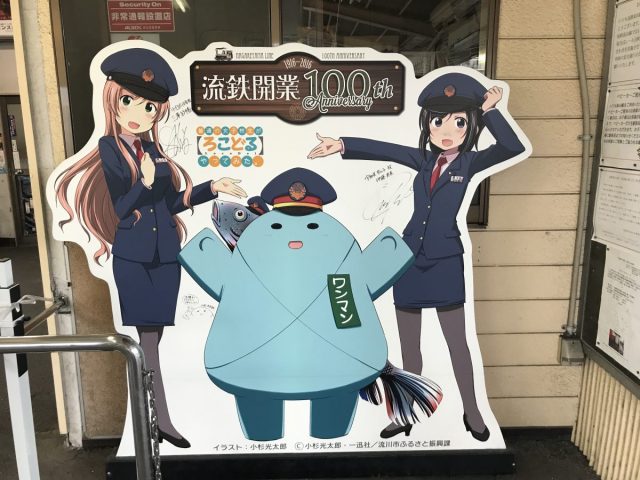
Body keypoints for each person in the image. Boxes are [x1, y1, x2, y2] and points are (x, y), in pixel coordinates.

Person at [308, 71, 526, 441]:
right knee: (410, 349)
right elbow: (385, 150)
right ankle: (405, 413)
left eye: (459, 122)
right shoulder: (424, 160)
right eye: (438, 121)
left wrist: (491, 110)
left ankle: (472, 412)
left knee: (458, 346)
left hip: (445, 261)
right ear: (427, 124)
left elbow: (512, 147)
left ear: (471, 125)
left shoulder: (470, 162)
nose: (446, 131)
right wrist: (342, 144)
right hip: (410, 261)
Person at [54, 47, 246, 448]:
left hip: (164, 257)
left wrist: (212, 188)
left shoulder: (154, 150)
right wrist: (142, 182)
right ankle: (159, 421)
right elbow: (122, 208)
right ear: (113, 99)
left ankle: (154, 420)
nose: (138, 113)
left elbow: (170, 203)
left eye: (149, 107)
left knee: (154, 342)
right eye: (128, 101)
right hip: (135, 259)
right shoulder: (110, 148)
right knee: (148, 344)